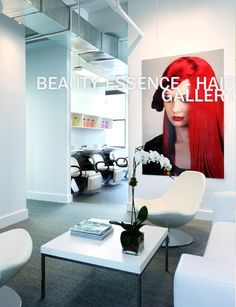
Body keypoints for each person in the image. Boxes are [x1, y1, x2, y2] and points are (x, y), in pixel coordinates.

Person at [143, 56, 224, 178]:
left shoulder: (226, 148)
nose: (175, 109)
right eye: (169, 98)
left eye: (186, 99)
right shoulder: (153, 149)